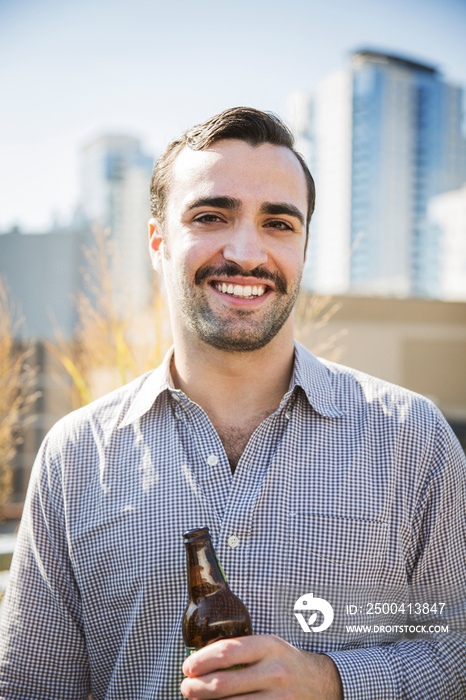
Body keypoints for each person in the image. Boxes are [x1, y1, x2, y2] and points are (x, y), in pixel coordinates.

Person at [0, 107, 464, 699]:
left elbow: (456, 650)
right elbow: (33, 686)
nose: (246, 253)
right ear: (158, 242)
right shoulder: (73, 456)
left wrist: (332, 683)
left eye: (279, 224)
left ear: (303, 246)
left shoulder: (414, 440)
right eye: (212, 216)